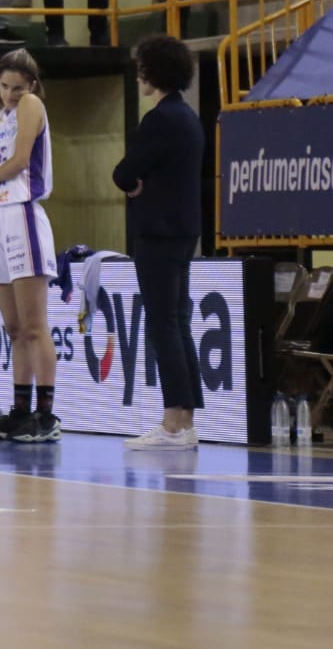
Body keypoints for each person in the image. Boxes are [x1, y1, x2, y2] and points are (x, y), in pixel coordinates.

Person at [113, 35, 206, 450]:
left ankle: (172, 423)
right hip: (184, 230)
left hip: (158, 232)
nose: (139, 76)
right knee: (178, 321)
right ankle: (185, 419)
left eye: (143, 68)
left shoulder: (159, 119)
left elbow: (123, 171)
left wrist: (134, 184)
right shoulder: (188, 117)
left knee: (163, 323)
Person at [0, 49, 61, 443]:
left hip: (23, 213)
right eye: (5, 86)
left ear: (32, 85)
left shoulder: (31, 104)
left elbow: (22, 160)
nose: (10, 93)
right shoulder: (0, 116)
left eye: (17, 87)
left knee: (33, 325)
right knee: (13, 327)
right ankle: (20, 409)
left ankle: (46, 415)